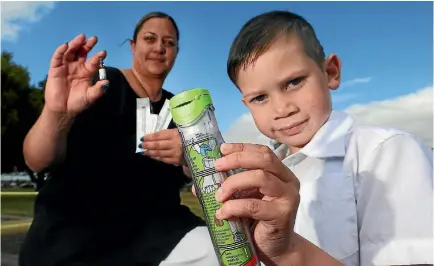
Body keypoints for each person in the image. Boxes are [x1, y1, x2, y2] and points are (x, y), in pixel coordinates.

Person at [217, 9, 432, 266]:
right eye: (260, 98)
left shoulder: (387, 153)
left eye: (294, 82)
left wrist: (287, 252)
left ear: (330, 72)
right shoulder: (262, 176)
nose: (282, 109)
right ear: (246, 103)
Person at [19, 12, 216, 266]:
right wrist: (57, 112)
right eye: (150, 38)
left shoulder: (181, 109)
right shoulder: (100, 82)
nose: (159, 47)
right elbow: (37, 160)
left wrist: (191, 152)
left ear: (176, 52)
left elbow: (205, 177)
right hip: (76, 238)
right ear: (133, 46)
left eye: (169, 42)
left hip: (158, 235)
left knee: (219, 252)